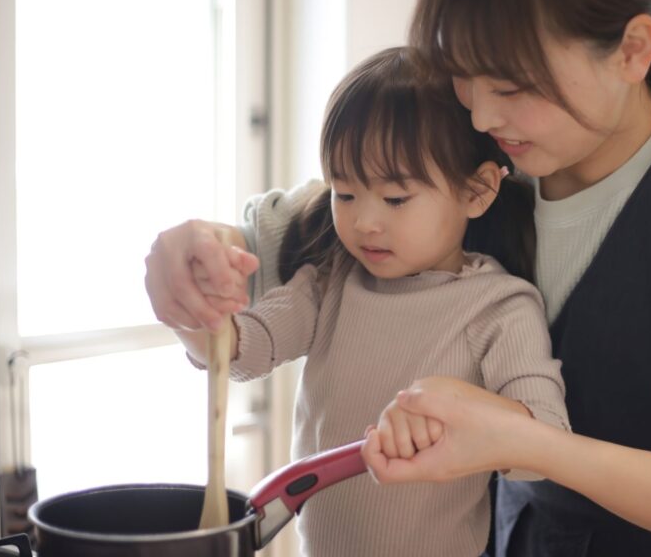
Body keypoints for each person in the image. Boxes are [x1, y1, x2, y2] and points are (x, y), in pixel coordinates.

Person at [145, 0, 651, 555]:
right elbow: (278, 235)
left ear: (632, 50)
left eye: (511, 85)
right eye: (463, 75)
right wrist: (191, 252)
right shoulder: (486, 151)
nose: (479, 112)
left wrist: (525, 440)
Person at [168, 46, 569, 557]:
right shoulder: (332, 281)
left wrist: (460, 415)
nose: (364, 222)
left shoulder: (499, 307)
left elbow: (547, 441)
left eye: (395, 199)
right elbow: (245, 351)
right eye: (345, 193)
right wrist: (197, 315)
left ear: (478, 190)